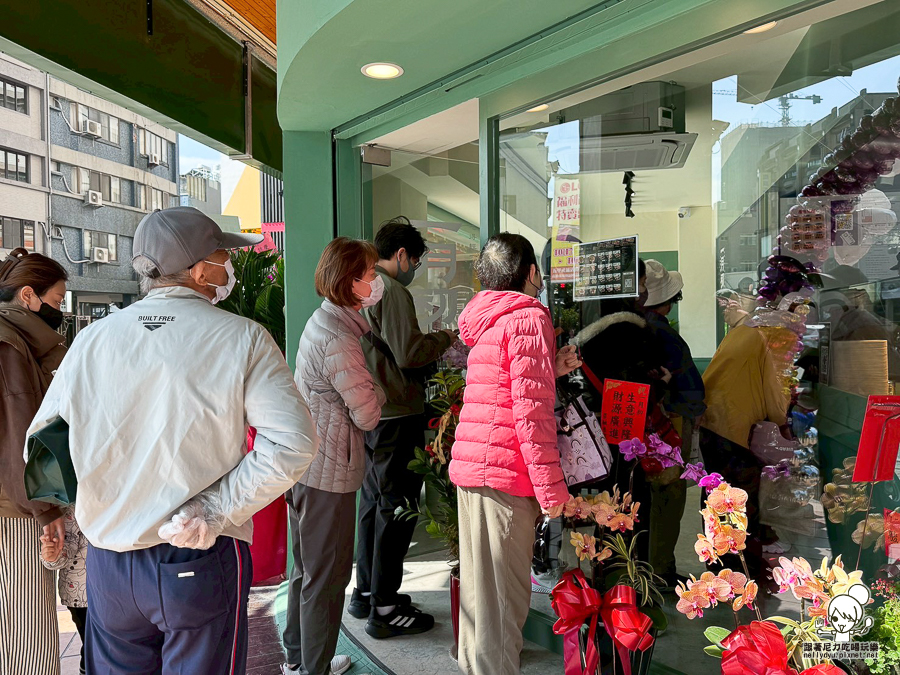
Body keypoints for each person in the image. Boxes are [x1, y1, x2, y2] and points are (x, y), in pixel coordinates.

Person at [26, 206, 319, 674]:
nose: (229, 268)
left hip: (110, 565)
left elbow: (41, 446)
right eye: (224, 256)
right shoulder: (241, 337)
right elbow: (294, 443)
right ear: (201, 270)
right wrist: (215, 508)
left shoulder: (92, 340)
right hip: (198, 555)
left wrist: (100, 505)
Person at [450, 233, 573, 675]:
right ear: (530, 273)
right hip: (503, 473)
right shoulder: (528, 316)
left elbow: (503, 385)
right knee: (503, 606)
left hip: (475, 468)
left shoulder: (488, 316)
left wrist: (551, 368)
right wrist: (552, 492)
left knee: (480, 601)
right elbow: (529, 413)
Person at [282, 238, 386, 675]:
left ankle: (298, 657)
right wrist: (379, 390)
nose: (376, 282)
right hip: (329, 473)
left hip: (309, 465)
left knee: (307, 573)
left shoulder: (324, 321)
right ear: (351, 282)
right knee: (326, 579)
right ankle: (315, 668)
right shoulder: (339, 339)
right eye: (369, 274)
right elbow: (367, 413)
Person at [350, 216, 456, 637]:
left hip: (374, 412)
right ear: (401, 256)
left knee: (373, 506)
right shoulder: (390, 289)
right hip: (397, 412)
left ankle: (367, 593)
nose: (414, 269)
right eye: (415, 260)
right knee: (396, 509)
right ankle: (387, 608)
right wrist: (444, 339)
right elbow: (409, 353)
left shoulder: (364, 285)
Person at [573, 259, 668, 562]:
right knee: (630, 506)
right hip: (625, 438)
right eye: (640, 283)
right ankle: (628, 582)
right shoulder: (631, 332)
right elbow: (637, 392)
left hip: (594, 439)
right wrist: (662, 383)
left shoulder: (583, 333)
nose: (643, 291)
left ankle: (605, 575)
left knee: (602, 509)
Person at [0, 248, 68, 675]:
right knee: (29, 635)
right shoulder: (10, 345)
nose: (60, 311)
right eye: (58, 302)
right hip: (15, 510)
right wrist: (46, 510)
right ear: (29, 295)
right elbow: (18, 438)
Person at [700, 292, 788, 582]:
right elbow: (772, 388)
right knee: (739, 498)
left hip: (715, 424)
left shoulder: (741, 335)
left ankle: (717, 562)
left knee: (716, 495)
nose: (724, 310)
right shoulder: (753, 335)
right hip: (736, 430)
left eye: (729, 304)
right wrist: (782, 420)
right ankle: (739, 568)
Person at [642, 259, 706, 588]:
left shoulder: (634, 327)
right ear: (668, 300)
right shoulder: (665, 334)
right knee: (669, 495)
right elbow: (688, 385)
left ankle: (646, 567)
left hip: (643, 425)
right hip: (669, 423)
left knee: (649, 496)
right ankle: (659, 572)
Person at [40, 507, 88, 675]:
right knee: (91, 646)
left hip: (111, 591)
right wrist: (51, 556)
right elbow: (64, 546)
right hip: (79, 597)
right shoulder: (70, 506)